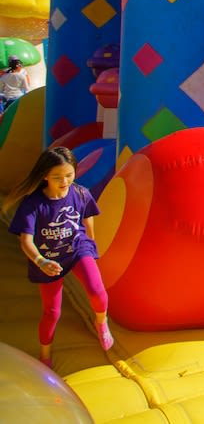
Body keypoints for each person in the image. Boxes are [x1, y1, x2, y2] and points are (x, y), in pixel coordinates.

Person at [5, 147, 114, 366]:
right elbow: (26, 240)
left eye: (69, 175)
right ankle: (45, 354)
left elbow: (87, 217)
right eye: (57, 177)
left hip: (76, 249)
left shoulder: (80, 193)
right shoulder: (33, 204)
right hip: (48, 258)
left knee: (97, 290)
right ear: (44, 176)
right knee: (52, 312)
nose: (64, 181)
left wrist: (90, 246)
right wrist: (40, 261)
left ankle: (101, 323)